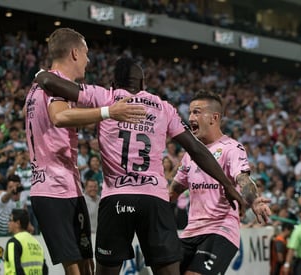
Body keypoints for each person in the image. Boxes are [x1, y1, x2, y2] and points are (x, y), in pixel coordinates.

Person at [35, 57, 246, 275]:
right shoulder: (163, 107)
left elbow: (49, 82)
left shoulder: (105, 96)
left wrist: (39, 74)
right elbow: (196, 148)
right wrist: (227, 184)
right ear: (143, 83)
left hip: (117, 198)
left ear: (114, 82)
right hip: (154, 200)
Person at [25, 28, 146, 275]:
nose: (89, 60)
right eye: (86, 54)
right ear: (74, 53)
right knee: (77, 271)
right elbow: (58, 117)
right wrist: (108, 112)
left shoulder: (40, 85)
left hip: (64, 185)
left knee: (86, 267)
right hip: (54, 189)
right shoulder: (56, 84)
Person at [168, 90, 272, 275]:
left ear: (214, 118)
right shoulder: (190, 155)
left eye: (197, 112)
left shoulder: (232, 148)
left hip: (220, 229)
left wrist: (254, 200)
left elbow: (243, 179)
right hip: (191, 231)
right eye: (191, 112)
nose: (191, 117)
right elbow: (173, 191)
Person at [4, 209, 48, 275]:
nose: (8, 223)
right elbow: (45, 269)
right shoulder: (37, 243)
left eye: (10, 220)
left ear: (18, 223)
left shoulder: (13, 242)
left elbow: (16, 269)